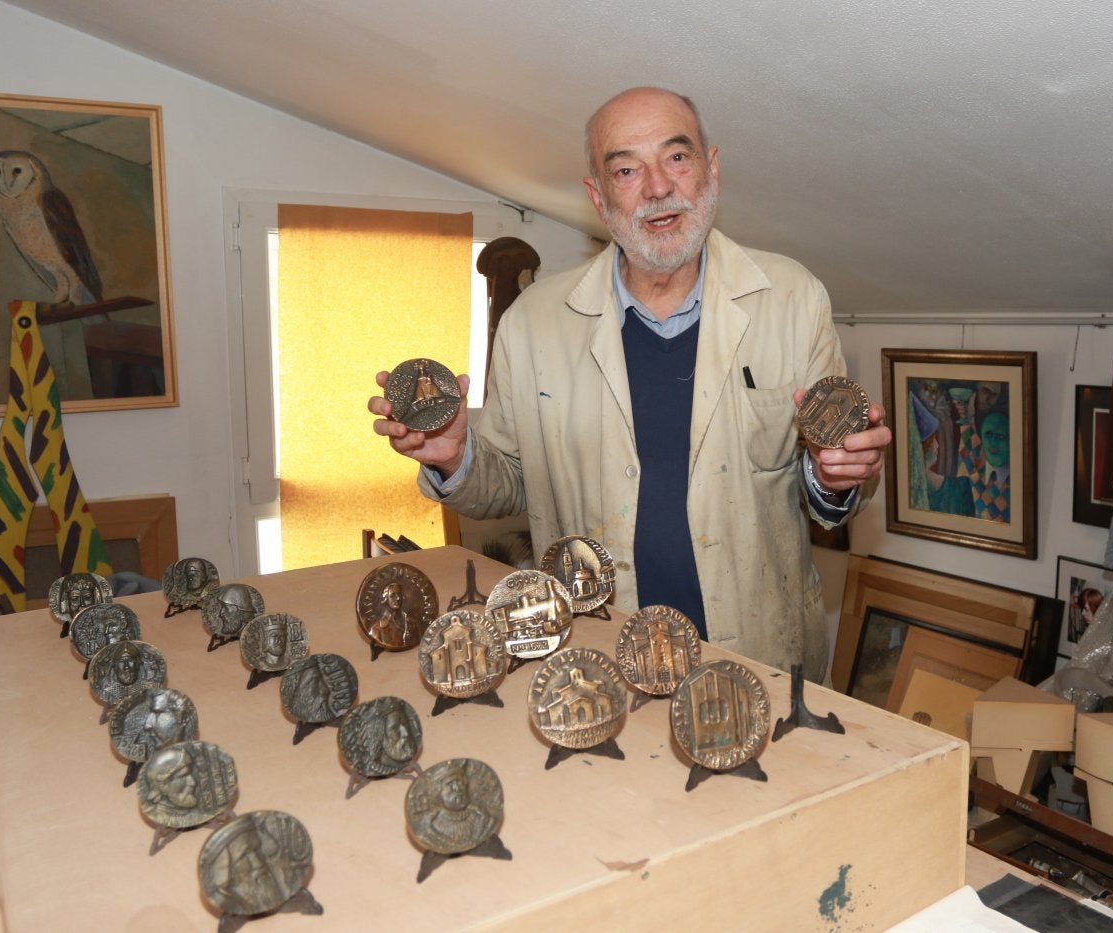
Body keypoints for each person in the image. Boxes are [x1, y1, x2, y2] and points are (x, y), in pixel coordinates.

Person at [368, 87, 891, 682]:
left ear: (710, 169)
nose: (658, 187)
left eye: (677, 157)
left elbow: (829, 489)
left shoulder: (794, 299)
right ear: (598, 195)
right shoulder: (533, 325)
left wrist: (835, 475)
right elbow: (511, 486)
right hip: (597, 666)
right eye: (625, 169)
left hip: (759, 660)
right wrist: (457, 458)